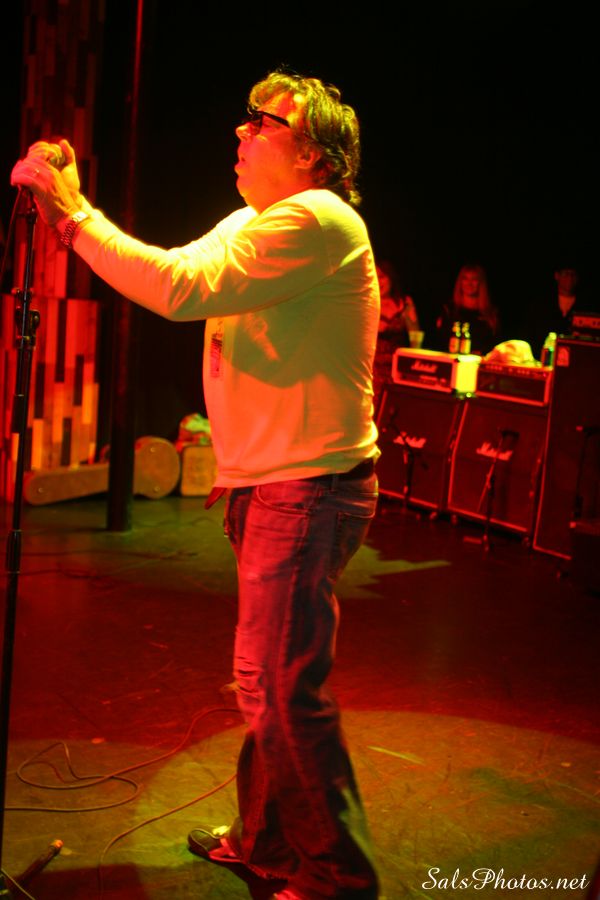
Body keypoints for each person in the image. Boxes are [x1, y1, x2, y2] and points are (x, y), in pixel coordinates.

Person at [12, 71, 380, 900]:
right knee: (268, 682)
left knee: (281, 688)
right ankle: (267, 840)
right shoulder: (257, 220)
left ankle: (337, 878)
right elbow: (176, 271)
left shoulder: (319, 219)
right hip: (278, 486)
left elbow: (181, 292)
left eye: (263, 121)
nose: (241, 132)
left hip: (308, 490)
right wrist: (76, 213)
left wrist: (72, 215)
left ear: (314, 154)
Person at [435, 263, 499, 355]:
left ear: (481, 283)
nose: (469, 283)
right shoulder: (449, 309)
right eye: (465, 279)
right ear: (460, 282)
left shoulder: (490, 314)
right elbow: (439, 340)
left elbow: (495, 345)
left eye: (474, 279)